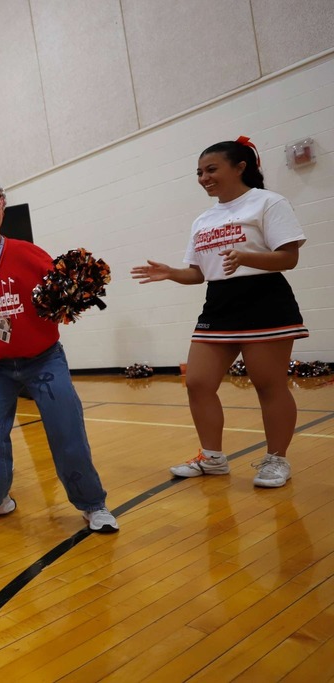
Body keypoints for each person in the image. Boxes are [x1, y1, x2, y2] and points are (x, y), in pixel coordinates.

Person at [0, 180, 118, 532]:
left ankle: (92, 504)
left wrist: (80, 287)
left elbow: (63, 283)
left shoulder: (26, 252)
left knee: (66, 432)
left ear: (2, 211)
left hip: (44, 360)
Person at [131, 137, 308, 487]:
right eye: (199, 172)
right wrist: (170, 273)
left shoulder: (268, 202)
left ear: (240, 167)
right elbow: (199, 274)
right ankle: (211, 458)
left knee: (268, 385)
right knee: (197, 382)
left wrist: (247, 257)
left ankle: (276, 460)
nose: (203, 178)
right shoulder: (204, 219)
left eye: (211, 169)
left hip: (265, 299)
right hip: (219, 303)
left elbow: (289, 257)